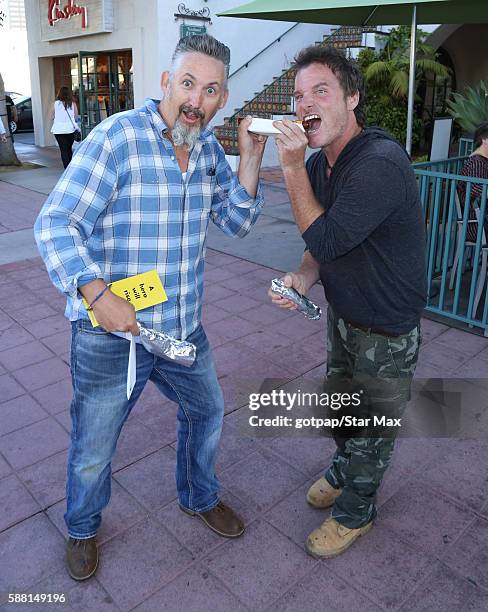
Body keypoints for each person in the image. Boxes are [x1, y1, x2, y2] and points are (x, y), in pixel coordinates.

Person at [35, 34, 267, 581]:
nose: (197, 99)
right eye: (188, 83)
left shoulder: (208, 149)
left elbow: (237, 222)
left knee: (208, 410)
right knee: (94, 444)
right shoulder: (118, 139)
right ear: (165, 82)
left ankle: (199, 495)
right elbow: (55, 224)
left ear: (222, 98)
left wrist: (252, 160)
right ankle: (83, 527)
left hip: (182, 329)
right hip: (113, 333)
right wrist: (97, 293)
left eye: (210, 90)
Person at [268, 45, 426, 558]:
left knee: (373, 429)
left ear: (352, 98)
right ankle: (342, 469)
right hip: (344, 314)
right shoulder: (321, 165)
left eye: (320, 91)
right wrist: (303, 278)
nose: (305, 104)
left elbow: (331, 239)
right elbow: (322, 244)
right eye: (298, 96)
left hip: (387, 324)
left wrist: (289, 167)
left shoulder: (379, 163)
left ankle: (358, 511)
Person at [457, 123, 488, 239]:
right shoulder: (476, 163)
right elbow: (481, 191)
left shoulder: (481, 161)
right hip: (477, 223)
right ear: (484, 140)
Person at [49, 86, 79, 168]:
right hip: (70, 129)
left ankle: (66, 168)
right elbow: (76, 117)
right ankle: (70, 167)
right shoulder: (73, 104)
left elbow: (51, 117)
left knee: (63, 150)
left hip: (58, 130)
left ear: (59, 94)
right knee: (69, 148)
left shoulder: (55, 104)